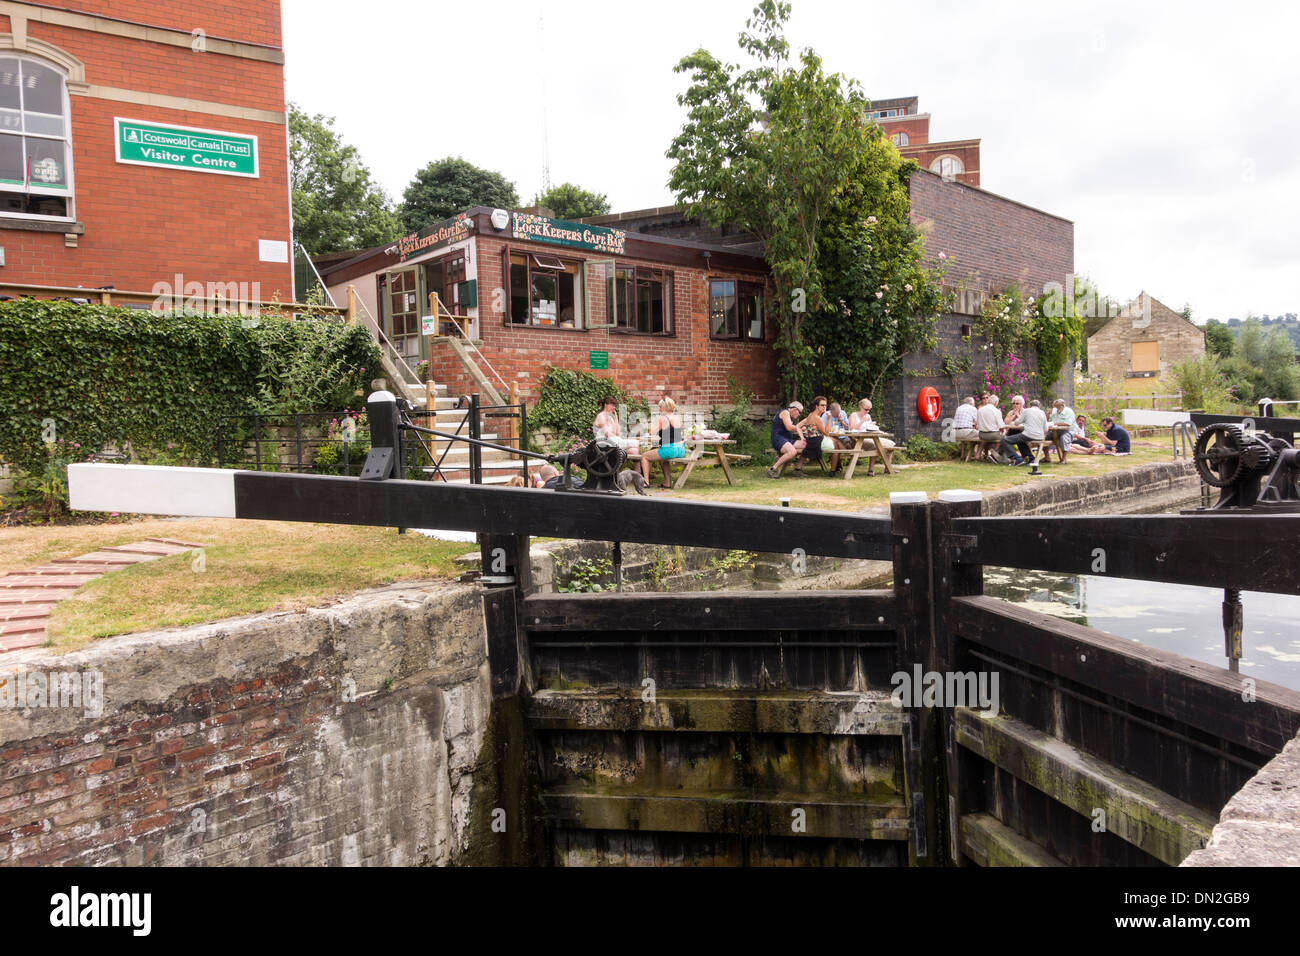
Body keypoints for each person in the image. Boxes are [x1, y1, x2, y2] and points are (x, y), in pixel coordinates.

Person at [640, 397, 685, 489]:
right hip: (680, 449)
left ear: (664, 408)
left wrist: (654, 422)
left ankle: (646, 482)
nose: (659, 409)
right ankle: (667, 483)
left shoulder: (664, 418)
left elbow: (651, 432)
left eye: (660, 407)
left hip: (670, 449)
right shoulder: (677, 417)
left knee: (644, 456)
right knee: (663, 460)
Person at [849, 398, 894, 476]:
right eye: (866, 409)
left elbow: (869, 428)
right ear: (860, 407)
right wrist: (862, 420)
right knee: (875, 446)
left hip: (870, 437)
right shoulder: (853, 415)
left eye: (869, 410)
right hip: (858, 439)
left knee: (891, 444)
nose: (867, 412)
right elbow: (852, 428)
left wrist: (872, 425)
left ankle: (888, 468)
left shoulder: (868, 416)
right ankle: (871, 470)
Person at [800, 397, 845, 472]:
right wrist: (828, 419)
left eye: (825, 405)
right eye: (822, 405)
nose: (824, 407)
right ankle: (835, 468)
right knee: (836, 445)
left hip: (812, 441)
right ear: (816, 406)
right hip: (816, 443)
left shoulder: (811, 415)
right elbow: (826, 433)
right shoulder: (817, 418)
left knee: (835, 441)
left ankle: (837, 466)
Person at [1001, 398, 1048, 466]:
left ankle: (1017, 459)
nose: (1015, 405)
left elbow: (1017, 422)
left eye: (1017, 403)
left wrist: (1015, 417)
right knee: (1019, 438)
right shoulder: (1042, 412)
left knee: (1005, 440)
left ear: (1029, 405)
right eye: (1013, 403)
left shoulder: (1027, 411)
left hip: (1028, 434)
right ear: (1039, 406)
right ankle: (1030, 457)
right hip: (1040, 436)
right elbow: (1046, 428)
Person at [769, 400, 808, 478]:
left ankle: (797, 469)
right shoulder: (785, 412)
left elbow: (792, 428)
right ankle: (773, 469)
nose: (799, 415)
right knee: (792, 451)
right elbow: (789, 427)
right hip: (778, 439)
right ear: (794, 409)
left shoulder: (789, 416)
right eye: (799, 412)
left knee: (808, 445)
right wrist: (800, 428)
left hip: (787, 440)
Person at [977, 394, 1013, 463]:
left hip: (981, 435)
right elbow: (1001, 426)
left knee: (1002, 438)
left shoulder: (980, 410)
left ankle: (1000, 456)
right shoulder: (996, 411)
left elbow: (978, 423)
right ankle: (997, 455)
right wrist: (1004, 431)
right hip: (993, 435)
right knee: (1007, 439)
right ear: (996, 403)